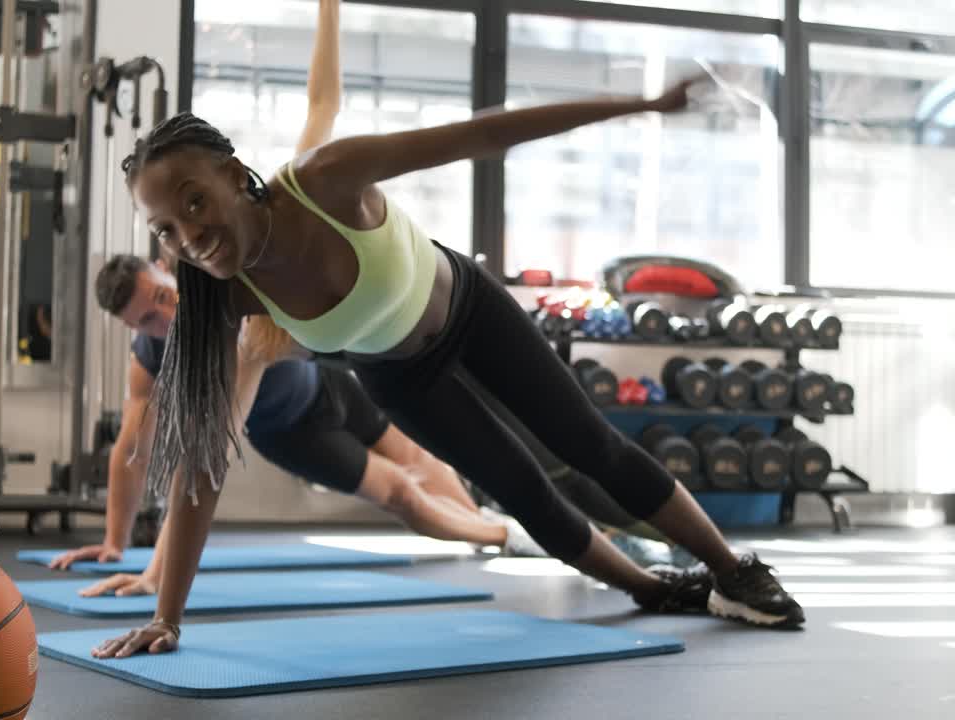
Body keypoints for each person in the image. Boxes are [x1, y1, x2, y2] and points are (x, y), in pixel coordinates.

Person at [93, 63, 805, 661]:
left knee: (590, 447)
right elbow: (201, 467)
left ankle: (731, 570)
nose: (190, 234)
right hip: (398, 374)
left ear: (232, 172)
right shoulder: (225, 298)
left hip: (467, 310)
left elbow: (487, 132)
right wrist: (168, 615)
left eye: (194, 202)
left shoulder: (326, 179)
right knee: (523, 494)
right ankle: (654, 590)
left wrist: (641, 104)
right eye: (167, 228)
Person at [49, 0, 542, 596]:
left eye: (159, 296)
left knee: (425, 462)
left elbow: (321, 107)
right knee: (402, 493)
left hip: (332, 380)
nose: (162, 314)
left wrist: (328, 11)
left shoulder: (286, 206)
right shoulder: (228, 330)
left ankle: (497, 527)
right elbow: (176, 458)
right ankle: (502, 539)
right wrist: (141, 564)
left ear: (165, 268)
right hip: (293, 429)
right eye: (148, 320)